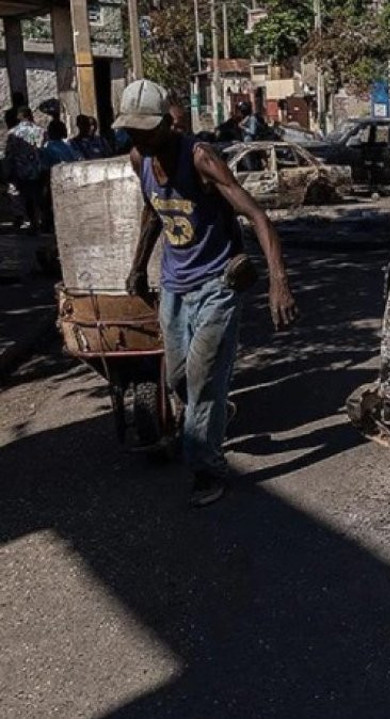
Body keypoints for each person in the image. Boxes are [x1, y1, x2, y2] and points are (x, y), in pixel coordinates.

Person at [118, 79, 298, 507]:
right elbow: (151, 212)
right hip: (174, 287)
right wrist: (138, 265)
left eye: (148, 129)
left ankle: (206, 469)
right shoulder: (138, 158)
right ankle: (216, 409)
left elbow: (257, 215)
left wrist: (278, 281)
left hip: (218, 284)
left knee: (201, 383)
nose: (140, 137)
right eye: (133, 130)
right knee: (178, 378)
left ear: (166, 123)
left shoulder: (200, 157)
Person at [5, 107, 46, 234]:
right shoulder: (41, 131)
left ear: (19, 117)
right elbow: (44, 150)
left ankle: (32, 223)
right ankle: (43, 221)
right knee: (38, 197)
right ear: (30, 115)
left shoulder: (13, 133)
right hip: (37, 169)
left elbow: (9, 153)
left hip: (21, 170)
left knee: (26, 197)